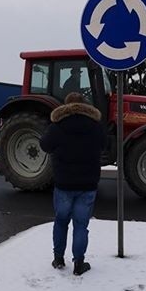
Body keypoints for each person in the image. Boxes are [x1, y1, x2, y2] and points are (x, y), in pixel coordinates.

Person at [40, 91, 106, 276]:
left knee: (61, 221)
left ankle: (58, 259)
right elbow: (105, 144)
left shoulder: (58, 126)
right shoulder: (95, 126)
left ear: (65, 106)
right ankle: (79, 263)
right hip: (88, 185)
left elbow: (44, 145)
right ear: (84, 105)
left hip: (63, 184)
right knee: (81, 225)